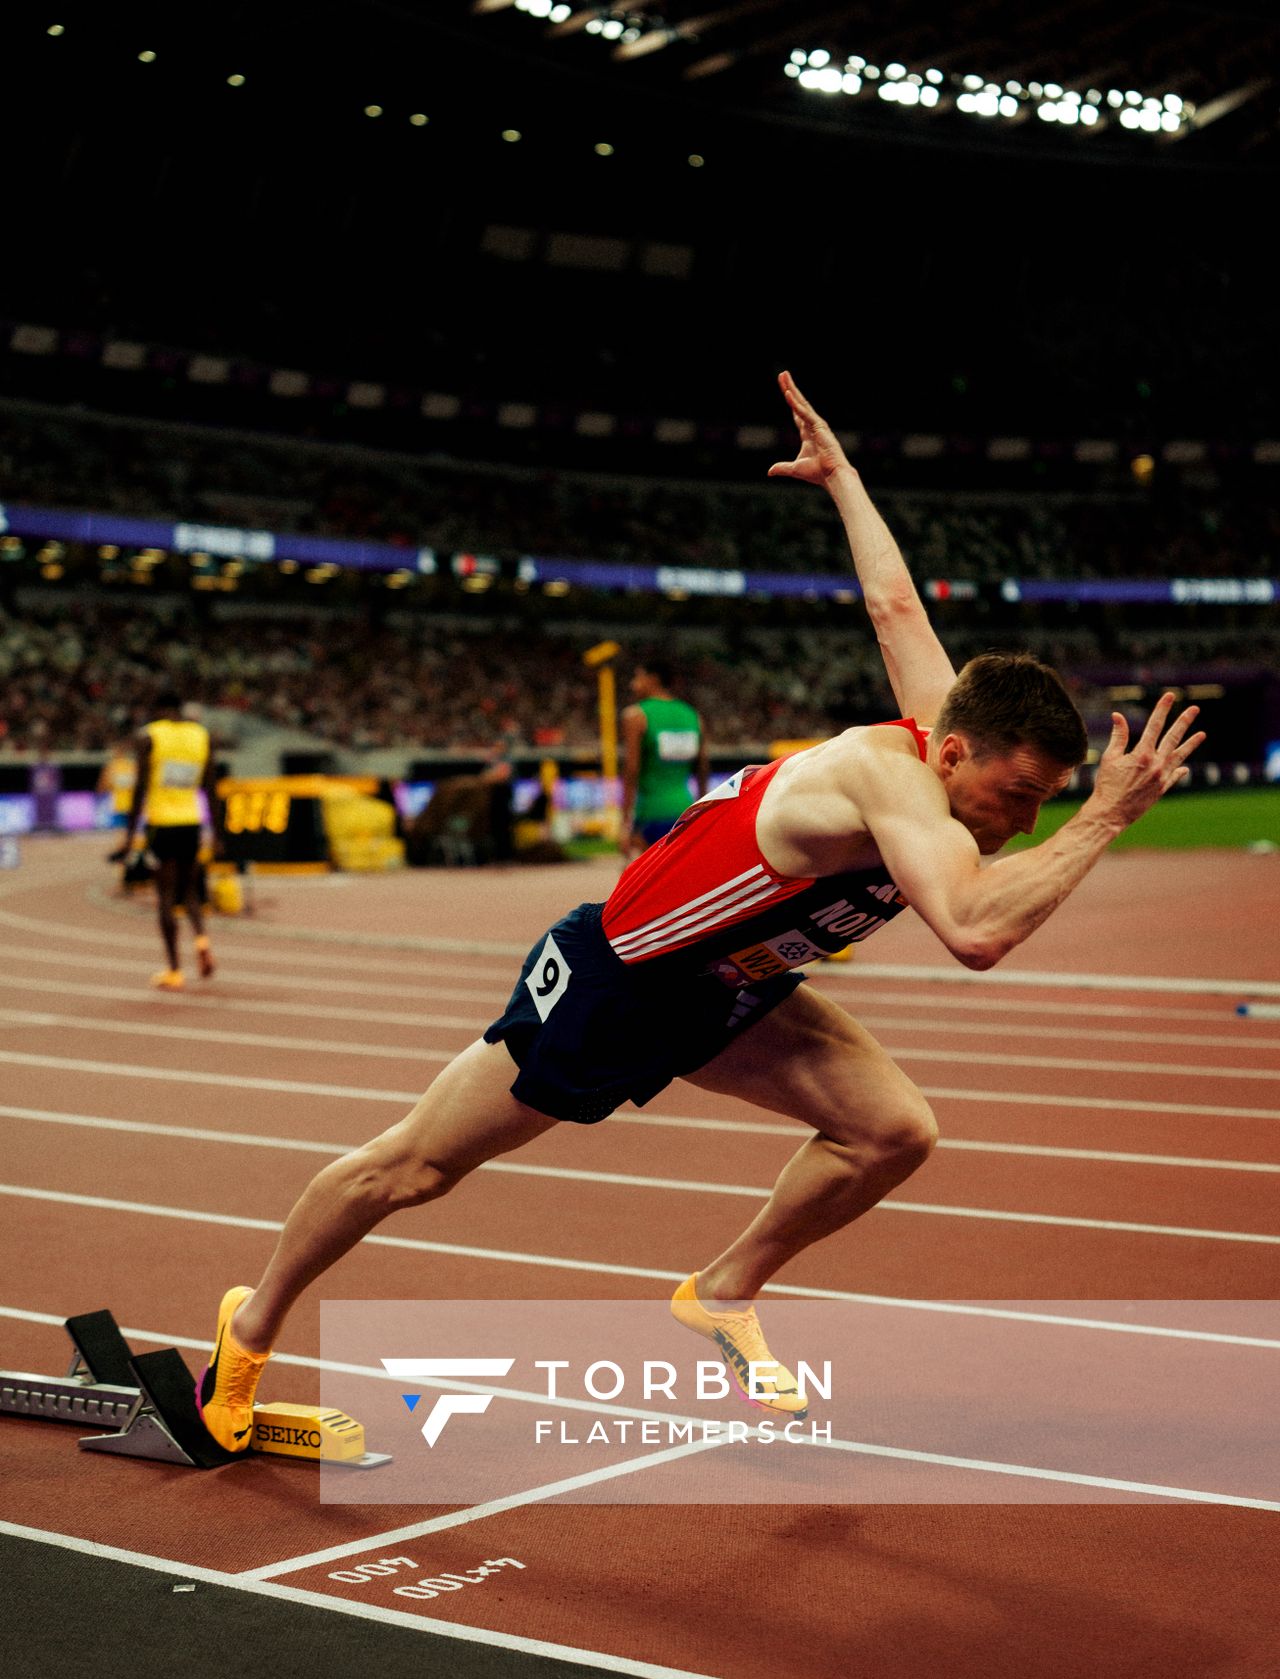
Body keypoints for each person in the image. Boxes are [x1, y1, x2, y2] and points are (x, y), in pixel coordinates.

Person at [196, 372, 1204, 1449]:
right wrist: (1101, 820)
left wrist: (844, 479)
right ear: (953, 756)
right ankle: (246, 1334)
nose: (1019, 819)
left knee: (890, 1131)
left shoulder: (942, 729)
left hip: (736, 984)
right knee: (413, 1168)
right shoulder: (888, 778)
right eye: (1017, 795)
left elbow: (894, 607)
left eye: (1042, 802)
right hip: (614, 983)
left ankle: (721, 1291)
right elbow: (973, 932)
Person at [119, 687, 220, 990]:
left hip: (162, 824)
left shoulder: (150, 736)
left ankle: (174, 970)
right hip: (192, 822)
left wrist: (129, 833)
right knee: (189, 889)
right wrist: (217, 832)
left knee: (164, 895)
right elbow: (211, 789)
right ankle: (202, 941)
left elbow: (140, 788)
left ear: (160, 709)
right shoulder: (201, 736)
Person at [620, 654, 708, 860]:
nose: (633, 684)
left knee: (645, 884)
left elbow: (631, 770)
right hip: (684, 811)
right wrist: (702, 811)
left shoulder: (635, 716)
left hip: (650, 813)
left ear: (654, 679)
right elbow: (702, 768)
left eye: (638, 677)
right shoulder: (693, 715)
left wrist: (625, 822)